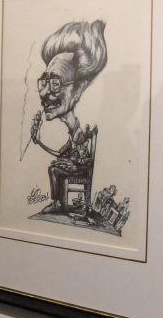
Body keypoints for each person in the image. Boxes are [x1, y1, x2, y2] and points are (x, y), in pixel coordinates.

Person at [30, 20, 107, 213]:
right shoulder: (70, 133)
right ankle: (58, 203)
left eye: (55, 83)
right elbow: (60, 154)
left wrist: (67, 161)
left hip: (80, 168)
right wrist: (39, 142)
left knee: (55, 169)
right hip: (75, 165)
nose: (43, 92)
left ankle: (58, 204)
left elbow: (81, 159)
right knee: (55, 166)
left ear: (78, 89)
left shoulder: (78, 133)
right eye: (44, 82)